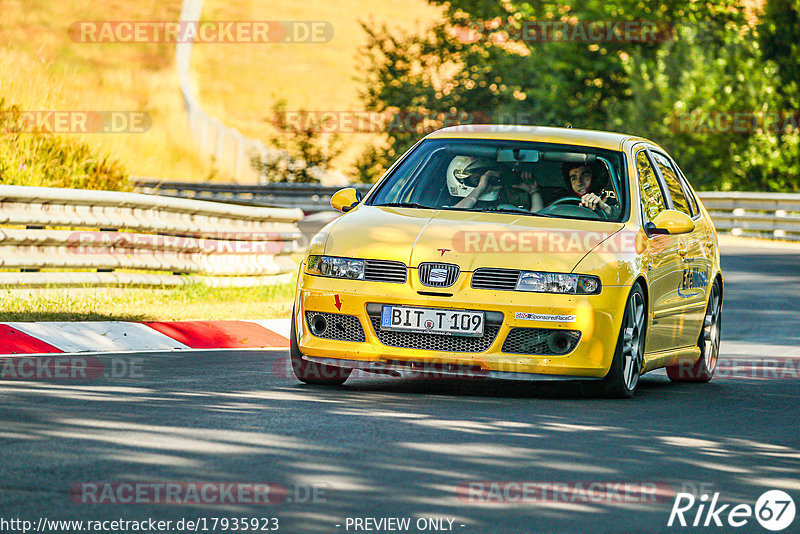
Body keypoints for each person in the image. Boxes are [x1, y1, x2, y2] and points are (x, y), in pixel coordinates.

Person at [454, 161, 544, 211]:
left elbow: (538, 224)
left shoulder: (506, 209)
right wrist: (480, 188)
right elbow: (454, 217)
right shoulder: (443, 210)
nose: (487, 181)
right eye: (478, 179)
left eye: (492, 178)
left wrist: (534, 191)